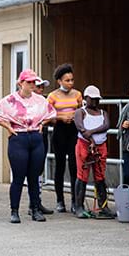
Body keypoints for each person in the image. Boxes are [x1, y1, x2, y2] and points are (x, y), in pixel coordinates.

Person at [0, 69, 57, 223]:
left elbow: (51, 114)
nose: (32, 84)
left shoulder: (40, 100)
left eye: (34, 82)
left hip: (35, 137)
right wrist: (8, 127)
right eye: (29, 82)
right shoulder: (10, 100)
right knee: (18, 177)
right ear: (20, 83)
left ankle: (35, 209)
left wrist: (42, 124)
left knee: (34, 176)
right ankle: (14, 210)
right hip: (19, 137)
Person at [73, 85, 114, 219]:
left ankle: (103, 206)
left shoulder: (103, 113)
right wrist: (90, 139)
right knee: (82, 174)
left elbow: (106, 125)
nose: (96, 102)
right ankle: (79, 206)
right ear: (86, 98)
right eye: (93, 99)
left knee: (100, 175)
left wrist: (92, 132)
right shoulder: (81, 112)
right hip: (84, 145)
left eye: (97, 99)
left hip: (100, 146)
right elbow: (80, 127)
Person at [47, 64, 82, 213]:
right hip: (59, 131)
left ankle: (75, 201)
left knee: (75, 166)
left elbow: (81, 111)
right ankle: (60, 200)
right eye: (67, 80)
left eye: (72, 80)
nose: (70, 83)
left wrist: (74, 117)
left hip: (73, 131)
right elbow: (47, 116)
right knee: (60, 165)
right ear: (59, 81)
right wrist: (61, 117)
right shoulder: (53, 96)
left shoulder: (77, 94)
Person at [30, 77, 54, 216]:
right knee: (32, 170)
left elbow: (51, 115)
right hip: (29, 137)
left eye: (42, 88)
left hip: (41, 135)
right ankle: (33, 204)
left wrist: (43, 123)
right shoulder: (27, 102)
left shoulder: (44, 102)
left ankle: (37, 201)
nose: (41, 90)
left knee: (39, 168)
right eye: (38, 87)